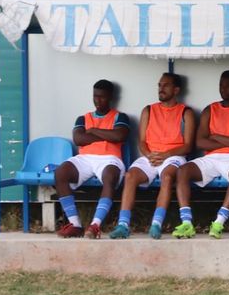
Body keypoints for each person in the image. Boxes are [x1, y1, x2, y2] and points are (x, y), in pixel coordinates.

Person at [110, 72, 194, 240]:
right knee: (130, 176)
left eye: (166, 85)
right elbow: (141, 141)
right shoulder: (148, 110)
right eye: (159, 85)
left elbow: (188, 146)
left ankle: (156, 223)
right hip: (151, 155)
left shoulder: (186, 112)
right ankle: (123, 225)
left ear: (176, 90)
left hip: (173, 156)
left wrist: (166, 154)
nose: (161, 89)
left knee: (168, 176)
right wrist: (149, 155)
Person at [174, 70, 229, 239]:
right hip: (211, 158)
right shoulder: (210, 109)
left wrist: (217, 137)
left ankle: (219, 221)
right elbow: (200, 142)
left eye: (228, 86)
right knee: (182, 171)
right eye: (221, 85)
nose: (223, 89)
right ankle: (187, 223)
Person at [52, 79, 131, 239]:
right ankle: (75, 224)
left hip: (110, 158)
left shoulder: (119, 116)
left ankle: (95, 225)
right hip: (85, 158)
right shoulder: (83, 118)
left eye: (102, 97)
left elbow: (119, 135)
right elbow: (79, 139)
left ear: (110, 97)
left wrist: (94, 131)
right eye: (95, 96)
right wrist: (105, 136)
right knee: (60, 173)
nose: (98, 100)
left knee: (110, 177)